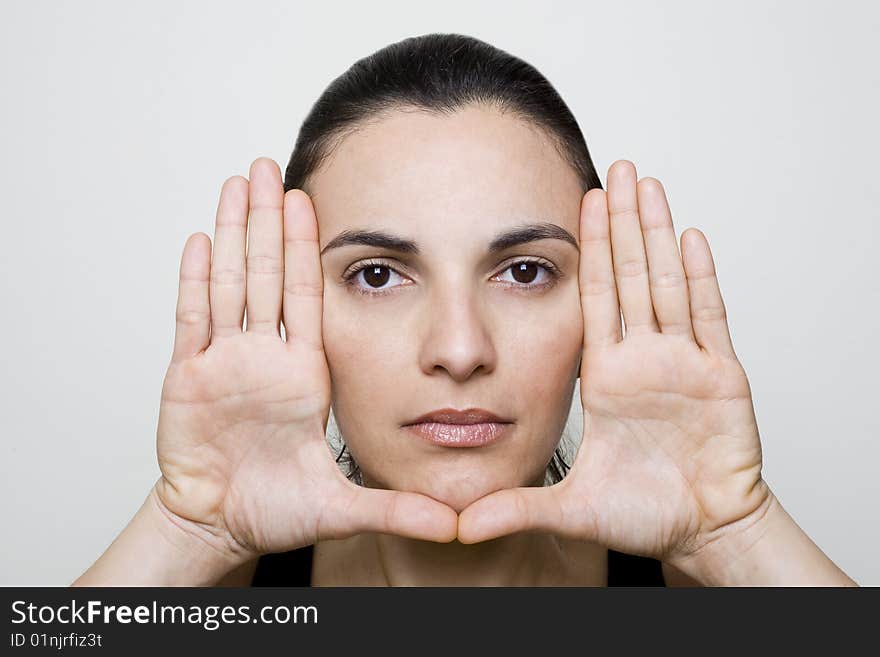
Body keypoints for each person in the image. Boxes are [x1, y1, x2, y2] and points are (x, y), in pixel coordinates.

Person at [73, 33, 857, 587]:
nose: (459, 348)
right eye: (377, 275)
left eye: (523, 271)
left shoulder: (713, 589)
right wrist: (185, 532)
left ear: (602, 299)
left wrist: (737, 533)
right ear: (292, 308)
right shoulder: (205, 601)